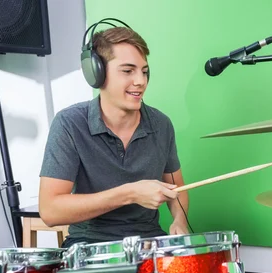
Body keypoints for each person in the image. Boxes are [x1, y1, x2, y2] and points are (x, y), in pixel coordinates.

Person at [38, 24, 189, 247]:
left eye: (144, 71)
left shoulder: (161, 125)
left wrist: (179, 220)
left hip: (149, 244)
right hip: (90, 245)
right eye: (128, 71)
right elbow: (50, 211)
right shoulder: (70, 123)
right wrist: (129, 193)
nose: (140, 81)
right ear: (97, 73)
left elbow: (177, 190)